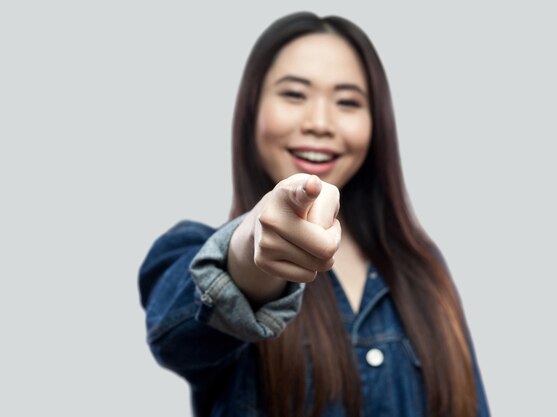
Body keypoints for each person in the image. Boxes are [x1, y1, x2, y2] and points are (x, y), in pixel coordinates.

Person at [139, 11, 490, 417]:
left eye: (347, 101)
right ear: (253, 109)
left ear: (376, 123)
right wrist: (253, 248)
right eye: (293, 94)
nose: (320, 123)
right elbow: (178, 333)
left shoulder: (422, 268)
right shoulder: (185, 252)